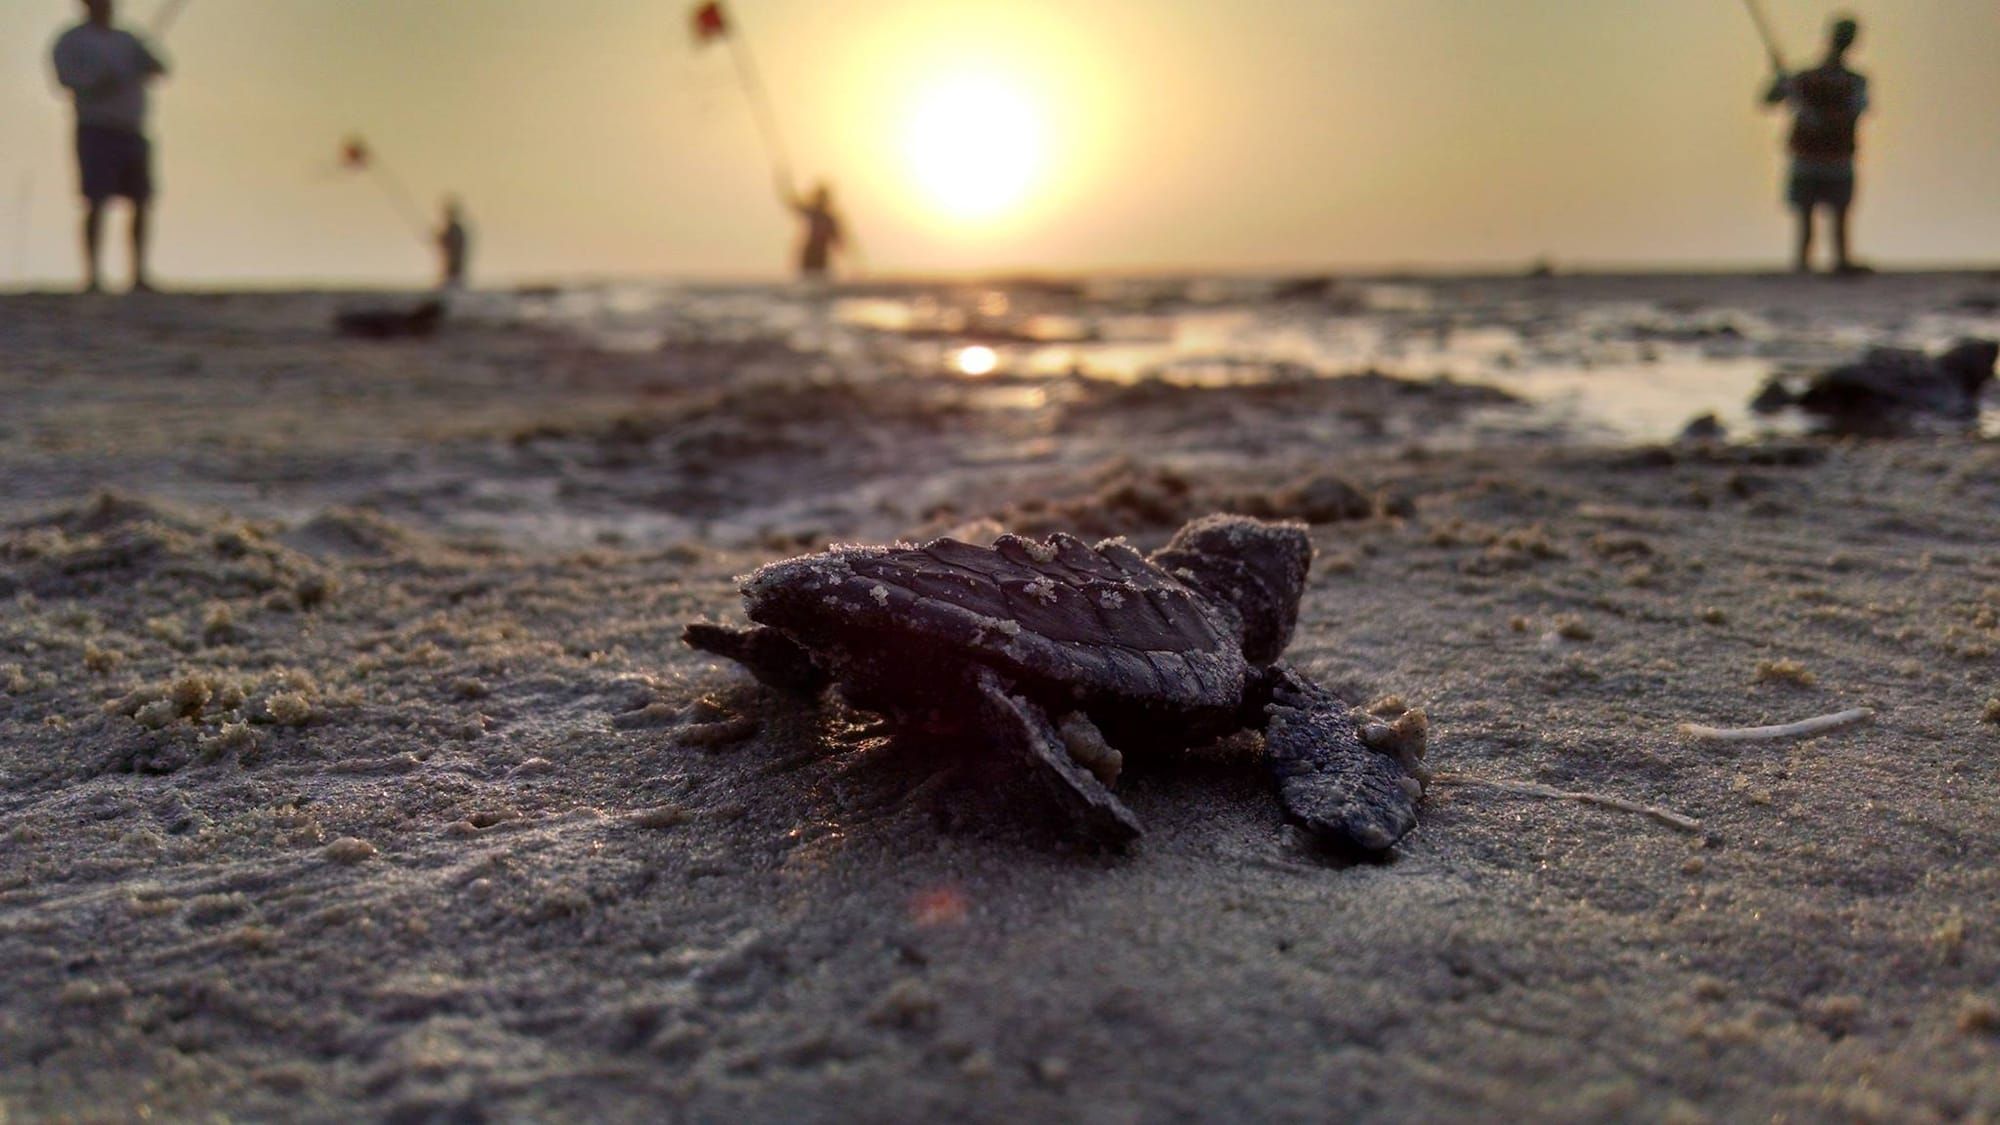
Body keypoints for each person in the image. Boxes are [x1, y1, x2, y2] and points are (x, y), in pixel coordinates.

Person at [51, 0, 167, 294]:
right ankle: (93, 276)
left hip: (132, 129)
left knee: (140, 200)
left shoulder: (128, 40)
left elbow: (160, 68)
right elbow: (66, 81)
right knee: (96, 200)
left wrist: (146, 60)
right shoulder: (72, 41)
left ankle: (139, 273)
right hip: (96, 128)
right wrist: (100, 83)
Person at [1763, 15, 1868, 275]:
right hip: (1811, 157)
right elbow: (1771, 98)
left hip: (1835, 157)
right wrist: (1780, 80)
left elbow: (1854, 112)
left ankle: (1832, 262)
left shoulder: (1852, 82)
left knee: (1834, 216)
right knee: (1809, 218)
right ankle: (1805, 265)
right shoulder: (1807, 78)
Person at [782, 179, 845, 281]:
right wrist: (784, 183)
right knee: (806, 280)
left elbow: (839, 241)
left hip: (820, 255)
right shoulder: (813, 213)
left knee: (820, 280)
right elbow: (794, 203)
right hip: (810, 253)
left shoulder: (829, 219)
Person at [436, 196, 470, 291]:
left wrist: (439, 239)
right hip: (453, 273)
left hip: (453, 273)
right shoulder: (457, 230)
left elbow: (448, 244)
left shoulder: (455, 230)